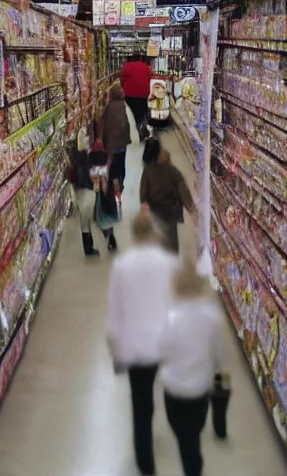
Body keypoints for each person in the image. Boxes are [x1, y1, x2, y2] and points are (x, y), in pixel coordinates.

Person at [106, 212, 178, 476]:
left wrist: (115, 349)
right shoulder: (169, 263)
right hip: (162, 343)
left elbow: (115, 313)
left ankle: (146, 463)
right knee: (164, 386)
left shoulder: (122, 266)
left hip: (135, 346)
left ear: (135, 235)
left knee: (140, 404)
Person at [159, 261, 226, 476]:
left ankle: (191, 463)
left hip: (174, 389)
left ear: (176, 286)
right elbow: (218, 357)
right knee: (193, 434)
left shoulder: (169, 319)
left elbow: (163, 352)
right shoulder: (212, 317)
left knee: (183, 437)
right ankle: (193, 457)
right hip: (199, 389)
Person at [140, 137, 195, 253]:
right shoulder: (171, 170)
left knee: (158, 240)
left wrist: (144, 205)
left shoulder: (148, 171)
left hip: (155, 212)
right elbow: (182, 190)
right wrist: (191, 209)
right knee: (172, 242)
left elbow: (143, 191)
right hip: (170, 211)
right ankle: (172, 264)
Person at [67, 141, 118, 255]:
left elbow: (71, 180)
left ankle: (88, 249)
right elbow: (98, 181)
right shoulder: (91, 164)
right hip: (90, 194)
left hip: (79, 195)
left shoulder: (74, 166)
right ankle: (109, 235)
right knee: (97, 217)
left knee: (85, 224)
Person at [101, 84, 131, 198]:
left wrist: (104, 142)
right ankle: (120, 184)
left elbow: (106, 126)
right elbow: (125, 125)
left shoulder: (109, 107)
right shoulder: (122, 106)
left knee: (113, 166)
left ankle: (115, 186)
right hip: (122, 144)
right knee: (121, 165)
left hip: (112, 145)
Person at [120, 53, 152, 137]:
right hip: (143, 95)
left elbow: (122, 81)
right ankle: (141, 129)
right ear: (140, 58)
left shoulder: (126, 66)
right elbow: (149, 79)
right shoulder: (146, 67)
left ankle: (131, 132)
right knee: (141, 114)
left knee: (131, 114)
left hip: (129, 95)